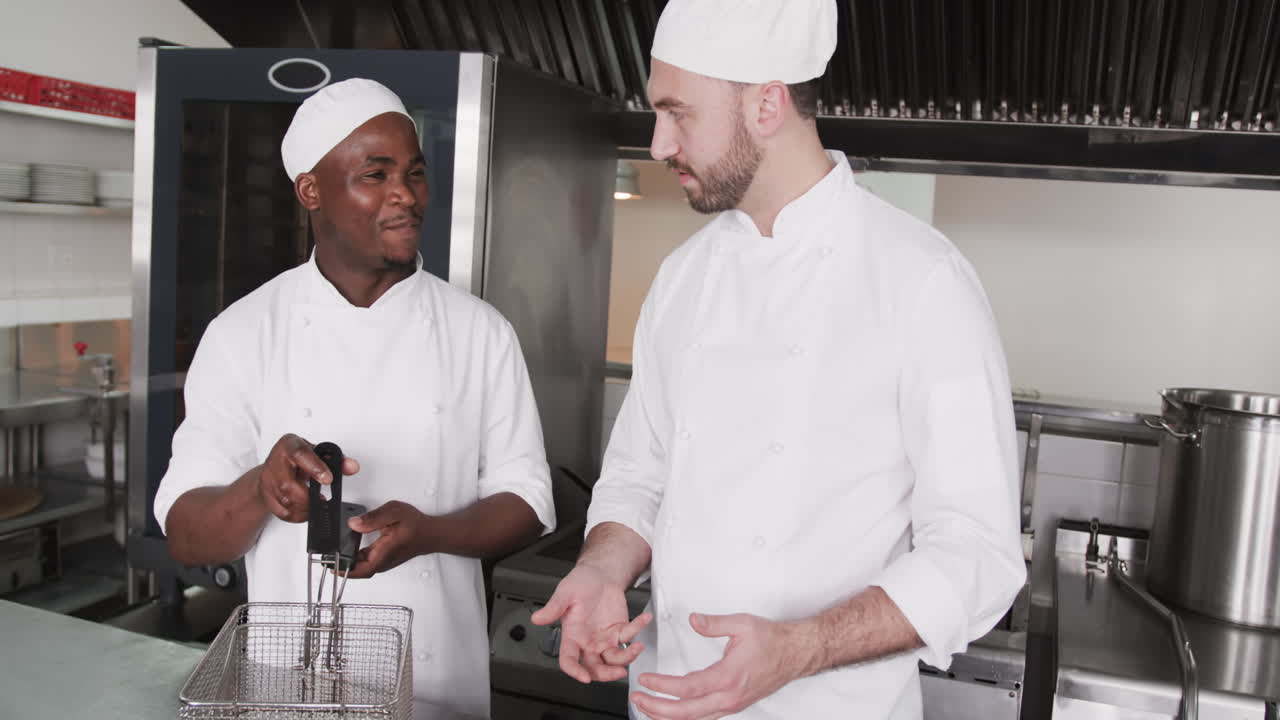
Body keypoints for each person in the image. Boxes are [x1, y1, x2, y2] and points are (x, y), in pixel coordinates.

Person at [531, 1, 1026, 717]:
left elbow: (979, 553)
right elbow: (640, 474)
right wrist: (601, 570)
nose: (660, 143)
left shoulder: (921, 280)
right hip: (666, 700)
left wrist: (802, 648)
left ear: (767, 105)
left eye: (678, 113)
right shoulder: (683, 276)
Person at [154, 78, 555, 720]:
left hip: (437, 681)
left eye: (414, 173)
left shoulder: (480, 331)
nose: (406, 195)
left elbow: (529, 502)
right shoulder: (243, 333)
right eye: (376, 174)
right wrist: (260, 489)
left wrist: (430, 533)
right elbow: (186, 535)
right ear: (311, 190)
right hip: (288, 690)